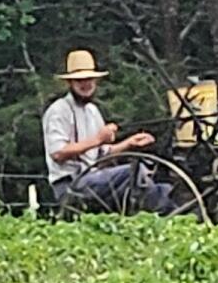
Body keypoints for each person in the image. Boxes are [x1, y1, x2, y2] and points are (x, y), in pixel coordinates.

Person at [42, 50, 180, 214]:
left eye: (89, 79)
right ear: (70, 83)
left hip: (93, 179)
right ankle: (169, 214)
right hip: (71, 186)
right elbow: (58, 153)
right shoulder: (58, 110)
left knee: (151, 179)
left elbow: (103, 154)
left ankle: (172, 208)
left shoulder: (92, 111)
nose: (86, 84)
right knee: (131, 173)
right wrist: (98, 139)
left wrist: (129, 143)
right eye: (80, 81)